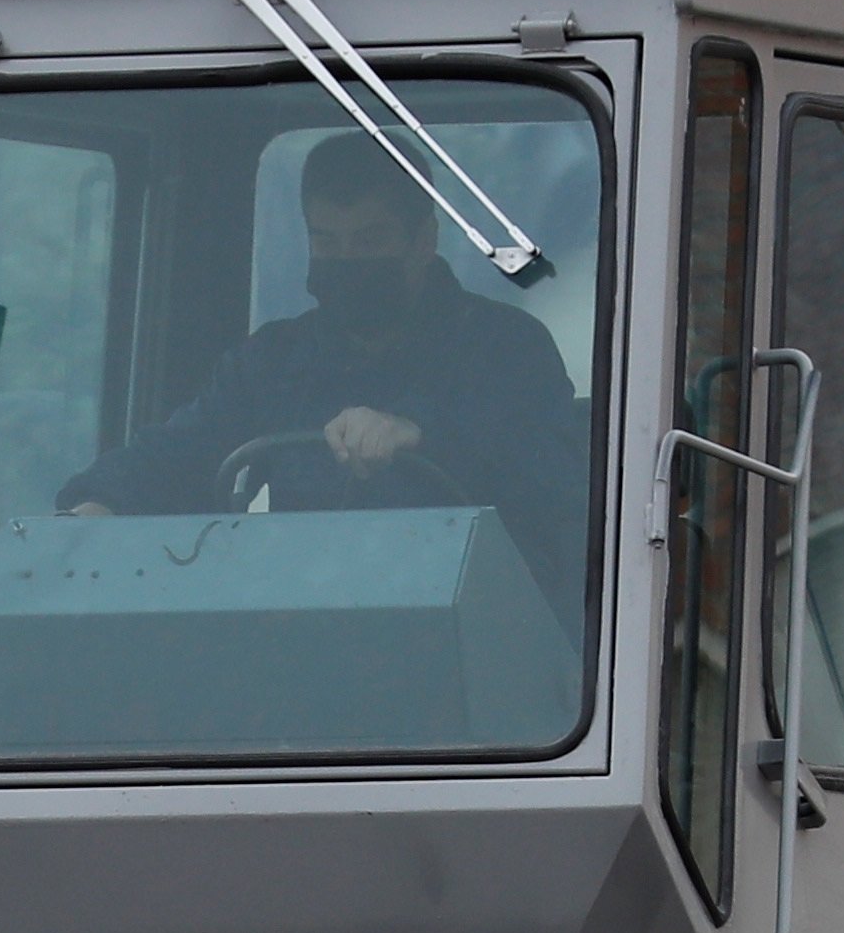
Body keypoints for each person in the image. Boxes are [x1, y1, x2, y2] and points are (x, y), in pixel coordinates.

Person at [60, 133, 593, 620]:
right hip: (308, 641)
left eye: (369, 240)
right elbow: (184, 449)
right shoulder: (273, 361)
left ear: (423, 240)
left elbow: (550, 474)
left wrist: (421, 432)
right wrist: (99, 505)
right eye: (328, 242)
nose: (347, 262)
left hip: (491, 651)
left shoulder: (507, 347)